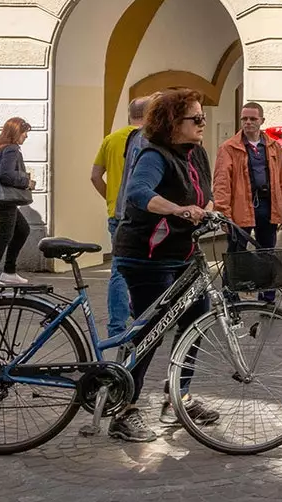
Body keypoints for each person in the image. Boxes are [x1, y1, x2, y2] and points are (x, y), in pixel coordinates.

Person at [110, 88, 219, 442]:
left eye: (203, 118)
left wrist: (211, 209)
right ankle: (123, 410)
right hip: (147, 254)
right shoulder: (153, 154)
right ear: (173, 122)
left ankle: (178, 397)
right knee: (150, 332)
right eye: (196, 119)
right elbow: (138, 194)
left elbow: (202, 192)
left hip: (183, 253)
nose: (203, 124)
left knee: (196, 320)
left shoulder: (196, 153)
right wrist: (177, 209)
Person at [213, 102, 282, 304]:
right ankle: (230, 297)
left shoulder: (273, 147)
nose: (248, 122)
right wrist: (223, 212)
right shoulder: (229, 148)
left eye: (253, 119)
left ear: (262, 121)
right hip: (240, 207)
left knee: (267, 251)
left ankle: (267, 296)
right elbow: (221, 182)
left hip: (267, 206)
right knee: (236, 253)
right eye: (245, 119)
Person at [91, 98, 148, 335]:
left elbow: (95, 176)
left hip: (117, 213)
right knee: (149, 268)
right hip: (145, 214)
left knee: (119, 269)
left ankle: (117, 325)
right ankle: (143, 316)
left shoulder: (111, 139)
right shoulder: (150, 139)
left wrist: (111, 198)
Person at [0, 117, 36, 286]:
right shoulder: (11, 149)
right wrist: (26, 182)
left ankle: (9, 271)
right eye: (24, 132)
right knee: (3, 237)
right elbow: (6, 176)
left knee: (22, 230)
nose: (26, 136)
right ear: (16, 132)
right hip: (3, 199)